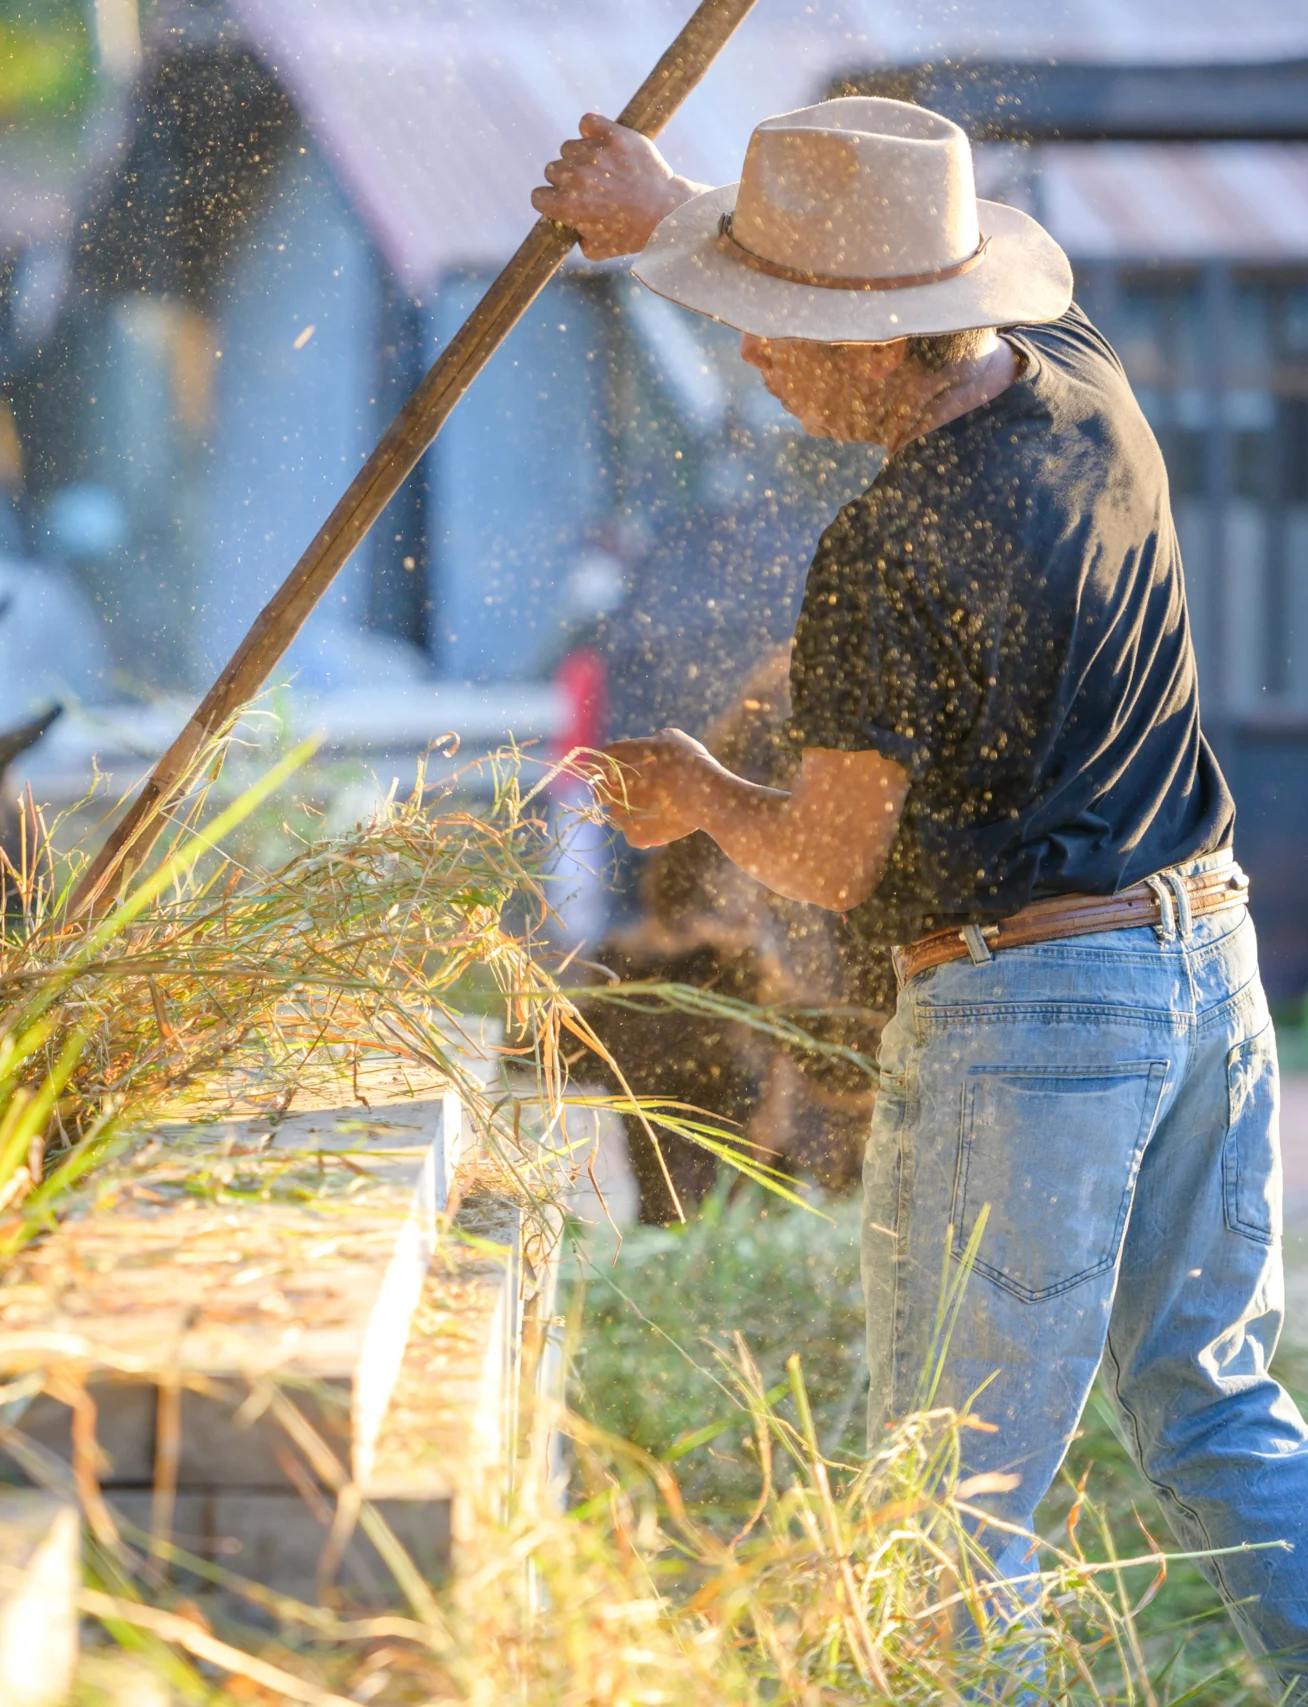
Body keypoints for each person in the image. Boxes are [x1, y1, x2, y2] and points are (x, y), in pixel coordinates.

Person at [536, 96, 1308, 1680]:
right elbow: (871, 246)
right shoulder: (1086, 385)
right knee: (1223, 1407)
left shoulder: (887, 550)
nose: (751, 355)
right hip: (1208, 969)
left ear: (892, 343)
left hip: (1035, 1016)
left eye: (782, 326)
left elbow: (828, 856)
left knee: (952, 1491)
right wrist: (670, 209)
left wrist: (695, 790)